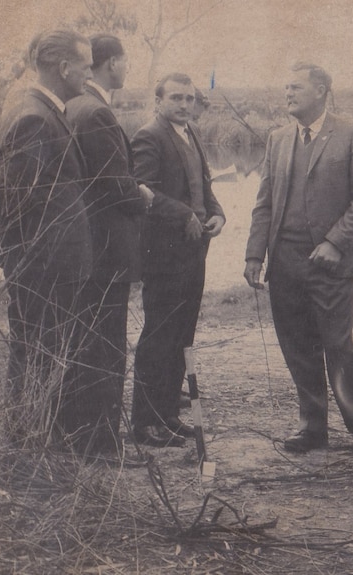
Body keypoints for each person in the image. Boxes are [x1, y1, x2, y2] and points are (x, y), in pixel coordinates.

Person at [244, 63, 353, 453]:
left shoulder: (352, 133)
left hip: (330, 262)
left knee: (339, 345)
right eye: (285, 86)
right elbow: (264, 202)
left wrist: (335, 242)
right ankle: (312, 427)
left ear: (321, 90)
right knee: (296, 345)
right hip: (284, 261)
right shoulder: (278, 138)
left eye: (296, 87)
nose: (287, 93)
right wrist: (255, 253)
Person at [0, 30, 94, 444]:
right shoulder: (34, 116)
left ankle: (34, 442)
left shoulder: (45, 110)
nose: (89, 73)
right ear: (64, 67)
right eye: (85, 65)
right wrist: (21, 261)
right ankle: (25, 445)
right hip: (44, 267)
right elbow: (17, 201)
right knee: (35, 353)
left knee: (41, 353)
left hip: (49, 264)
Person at [65, 34, 151, 457]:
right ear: (112, 62)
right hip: (105, 250)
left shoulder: (76, 106)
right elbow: (111, 186)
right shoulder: (96, 111)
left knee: (88, 342)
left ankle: (83, 437)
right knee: (106, 346)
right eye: (125, 59)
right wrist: (143, 196)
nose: (127, 67)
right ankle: (101, 444)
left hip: (86, 251)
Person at [131, 72, 226, 448]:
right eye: (176, 98)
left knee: (182, 335)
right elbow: (143, 192)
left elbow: (204, 184)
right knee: (159, 335)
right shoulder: (149, 136)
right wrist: (184, 214)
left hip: (195, 250)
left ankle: (168, 415)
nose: (185, 105)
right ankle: (145, 422)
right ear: (159, 101)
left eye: (190, 98)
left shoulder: (192, 133)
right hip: (164, 255)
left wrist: (217, 213)